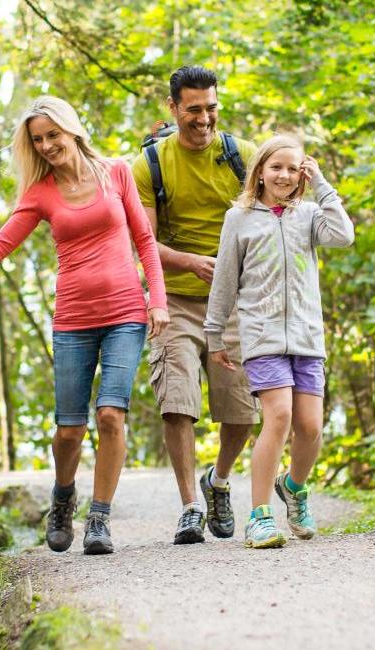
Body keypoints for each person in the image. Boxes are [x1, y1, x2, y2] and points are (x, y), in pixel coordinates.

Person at [0, 96, 169, 555]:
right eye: (38, 140)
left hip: (126, 313)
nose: (47, 145)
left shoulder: (115, 171)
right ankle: (62, 497)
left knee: (111, 414)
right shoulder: (40, 193)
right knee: (69, 431)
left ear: (71, 129)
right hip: (73, 320)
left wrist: (158, 300)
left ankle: (99, 518)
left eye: (52, 134)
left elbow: (144, 239)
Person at [203, 134, 355, 548]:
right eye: (276, 167)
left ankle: (293, 486)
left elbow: (343, 235)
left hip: (307, 336)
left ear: (301, 173)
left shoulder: (309, 214)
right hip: (263, 335)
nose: (284, 175)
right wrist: (214, 334)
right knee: (280, 416)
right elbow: (225, 280)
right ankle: (260, 517)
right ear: (260, 172)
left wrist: (322, 184)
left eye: (293, 168)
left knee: (310, 427)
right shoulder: (240, 218)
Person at [132, 66, 260, 543]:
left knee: (242, 410)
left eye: (211, 108)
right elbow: (141, 240)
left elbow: (270, 220)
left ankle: (218, 481)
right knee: (177, 403)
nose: (204, 119)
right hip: (175, 300)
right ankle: (190, 505)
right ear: (173, 108)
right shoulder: (150, 165)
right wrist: (191, 261)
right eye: (194, 110)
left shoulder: (242, 157)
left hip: (234, 304)